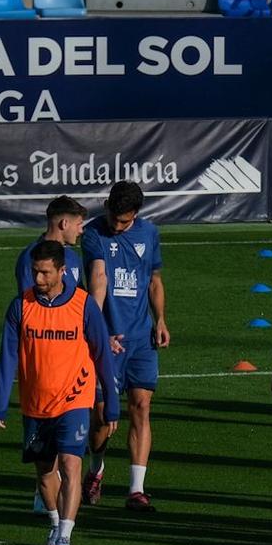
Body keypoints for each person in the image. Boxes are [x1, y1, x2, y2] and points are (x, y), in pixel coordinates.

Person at [0, 241, 122, 545]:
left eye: (44, 273)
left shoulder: (84, 305)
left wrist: (112, 401)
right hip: (36, 403)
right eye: (34, 272)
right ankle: (54, 523)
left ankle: (65, 536)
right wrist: (0, 401)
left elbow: (102, 354)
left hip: (75, 399)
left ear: (63, 271)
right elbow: (7, 356)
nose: (37, 279)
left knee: (70, 464)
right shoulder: (20, 306)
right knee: (45, 472)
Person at [83, 181, 169, 512]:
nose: (117, 226)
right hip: (108, 339)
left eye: (124, 221)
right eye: (113, 218)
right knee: (103, 416)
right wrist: (98, 332)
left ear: (136, 214)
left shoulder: (149, 234)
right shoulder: (93, 234)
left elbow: (155, 281)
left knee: (141, 407)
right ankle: (96, 469)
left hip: (141, 338)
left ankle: (136, 489)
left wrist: (160, 320)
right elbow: (99, 278)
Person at [15, 195, 88, 295]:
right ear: (64, 224)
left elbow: (80, 297)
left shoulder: (73, 257)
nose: (81, 231)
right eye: (78, 225)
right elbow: (28, 302)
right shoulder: (32, 257)